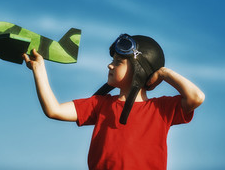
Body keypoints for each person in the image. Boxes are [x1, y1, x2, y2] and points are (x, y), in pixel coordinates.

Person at [23, 33, 205, 170]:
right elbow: (53, 110)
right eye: (112, 60)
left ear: (139, 69)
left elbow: (196, 97)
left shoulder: (160, 109)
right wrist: (39, 69)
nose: (110, 65)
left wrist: (163, 73)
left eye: (118, 62)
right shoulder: (99, 104)